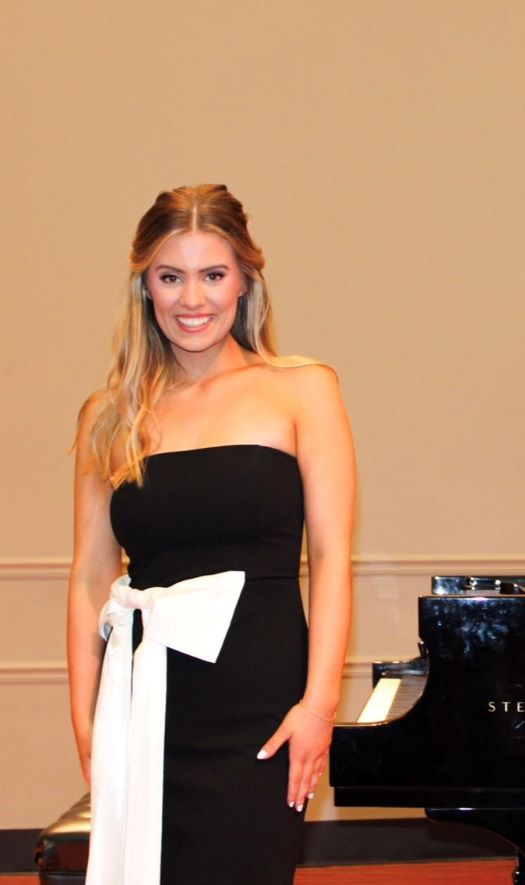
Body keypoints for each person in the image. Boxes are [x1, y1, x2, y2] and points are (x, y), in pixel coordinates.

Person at [67, 184, 355, 885]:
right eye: (171, 276)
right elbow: (88, 579)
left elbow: (332, 557)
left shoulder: (303, 389)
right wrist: (86, 726)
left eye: (212, 274)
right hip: (143, 702)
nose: (191, 299)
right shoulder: (108, 413)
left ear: (245, 281)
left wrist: (317, 706)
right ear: (145, 286)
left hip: (258, 708)